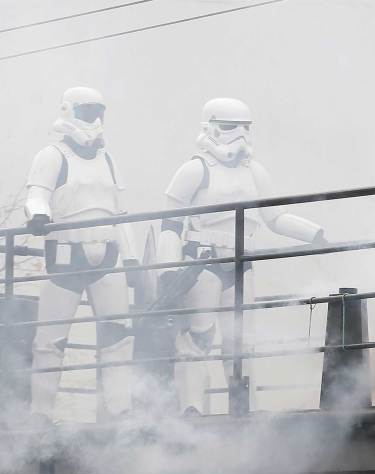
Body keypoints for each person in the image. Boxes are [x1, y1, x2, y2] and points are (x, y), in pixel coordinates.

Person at [157, 98, 324, 415]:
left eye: (246, 128)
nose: (240, 136)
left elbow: (275, 217)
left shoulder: (254, 172)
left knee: (242, 342)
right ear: (211, 128)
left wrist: (314, 233)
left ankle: (242, 408)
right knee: (198, 338)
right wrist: (167, 272)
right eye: (231, 127)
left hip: (241, 264)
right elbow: (170, 225)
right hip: (202, 263)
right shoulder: (194, 170)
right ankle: (192, 409)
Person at [26, 87, 138, 423]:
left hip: (108, 254)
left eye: (98, 112)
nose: (94, 119)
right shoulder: (52, 155)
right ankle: (41, 413)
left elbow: (120, 212)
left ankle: (119, 409)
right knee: (50, 340)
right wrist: (38, 214)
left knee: (118, 336)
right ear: (69, 110)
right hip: (66, 254)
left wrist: (131, 258)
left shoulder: (108, 159)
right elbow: (37, 193)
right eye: (87, 111)